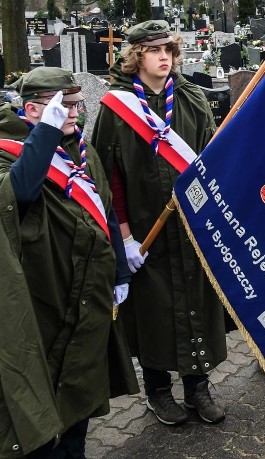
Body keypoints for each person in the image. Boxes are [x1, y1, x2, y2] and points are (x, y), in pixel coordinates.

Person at [92, 20, 227, 426]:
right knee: (154, 312)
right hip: (145, 232)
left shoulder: (191, 97)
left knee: (195, 306)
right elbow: (108, 177)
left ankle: (197, 386)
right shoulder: (116, 108)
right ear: (137, 56)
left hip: (190, 229)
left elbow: (210, 158)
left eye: (168, 49)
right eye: (153, 50)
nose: (163, 57)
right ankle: (158, 390)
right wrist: (125, 237)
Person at [0, 67, 138, 457]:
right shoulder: (7, 150)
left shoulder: (82, 151)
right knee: (41, 390)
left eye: (77, 104)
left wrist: (120, 272)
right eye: (64, 105)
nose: (75, 112)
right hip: (43, 293)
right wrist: (45, 131)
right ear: (32, 108)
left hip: (88, 291)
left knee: (80, 387)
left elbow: (104, 210)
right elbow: (19, 192)